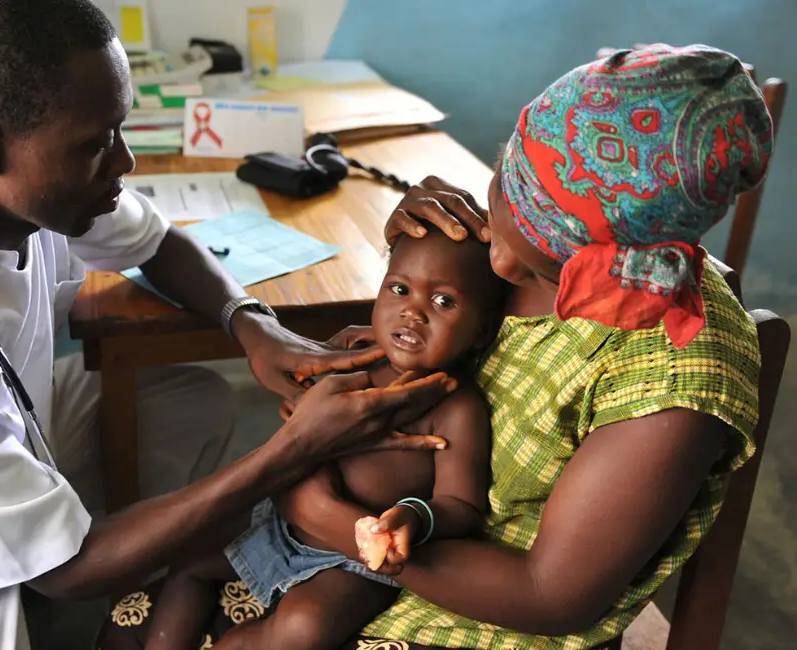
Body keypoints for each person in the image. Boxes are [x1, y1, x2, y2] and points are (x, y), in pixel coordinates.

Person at [0, 2, 461, 649]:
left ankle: (98, 547)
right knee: (47, 578)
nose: (125, 162)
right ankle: (64, 549)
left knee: (193, 400)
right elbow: (65, 571)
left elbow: (157, 244)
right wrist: (291, 452)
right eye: (99, 142)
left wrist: (253, 326)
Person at [99, 43, 774, 650]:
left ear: (616, 263)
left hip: (485, 616)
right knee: (155, 596)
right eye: (502, 193)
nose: (501, 266)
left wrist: (324, 515)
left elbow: (552, 596)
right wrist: (432, 261)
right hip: (362, 535)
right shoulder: (511, 243)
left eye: (543, 269)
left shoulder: (679, 376)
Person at [144, 224, 506, 650]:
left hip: (351, 561)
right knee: (187, 558)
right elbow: (298, 424)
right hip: (276, 519)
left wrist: (412, 517)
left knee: (304, 627)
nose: (414, 312)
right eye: (399, 289)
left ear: (482, 331)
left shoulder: (456, 408)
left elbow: (461, 507)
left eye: (444, 301)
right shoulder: (351, 363)